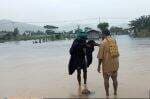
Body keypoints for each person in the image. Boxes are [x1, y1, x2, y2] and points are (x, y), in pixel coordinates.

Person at [97, 29, 119, 96]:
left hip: (107, 65)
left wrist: (98, 66)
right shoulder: (114, 40)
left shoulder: (103, 42)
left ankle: (107, 94)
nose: (101, 35)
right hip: (115, 63)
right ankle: (115, 93)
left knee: (106, 79)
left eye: (102, 34)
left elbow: (100, 57)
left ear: (104, 34)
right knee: (115, 79)